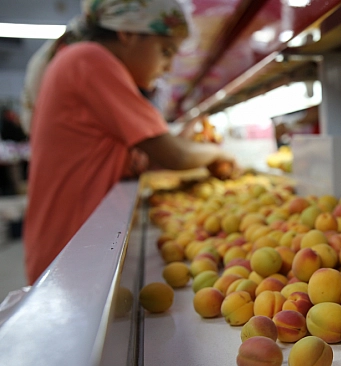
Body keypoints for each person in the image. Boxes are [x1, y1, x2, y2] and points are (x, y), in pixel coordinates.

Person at [23, 0, 235, 285]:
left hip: (76, 242)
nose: (167, 66)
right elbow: (175, 156)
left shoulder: (81, 60)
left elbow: (143, 155)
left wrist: (181, 144)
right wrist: (217, 153)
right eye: (165, 51)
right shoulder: (90, 60)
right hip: (69, 249)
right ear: (128, 33)